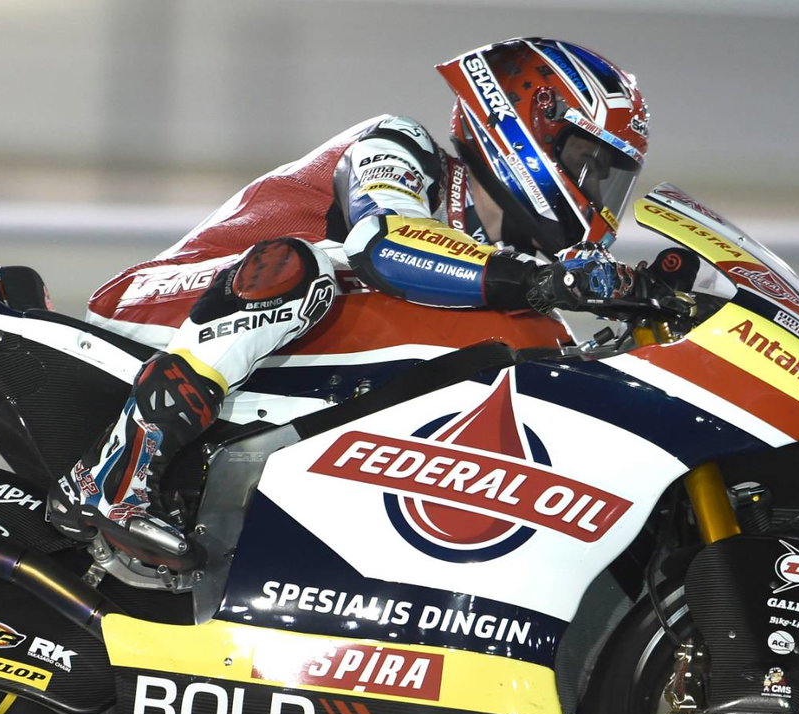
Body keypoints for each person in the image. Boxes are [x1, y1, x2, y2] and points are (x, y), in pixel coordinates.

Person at [47, 37, 651, 566]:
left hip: (260, 356)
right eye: (591, 164)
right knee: (305, 266)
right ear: (529, 123)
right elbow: (384, 243)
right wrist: (545, 280)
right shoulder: (399, 143)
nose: (599, 193)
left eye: (612, 180)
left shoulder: (495, 258)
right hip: (160, 303)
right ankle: (108, 479)